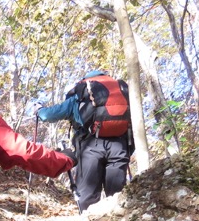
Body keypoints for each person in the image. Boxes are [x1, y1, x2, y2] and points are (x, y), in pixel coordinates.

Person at [37, 69, 132, 213]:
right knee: (117, 196)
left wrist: (39, 110)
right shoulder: (122, 90)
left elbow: (48, 115)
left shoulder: (82, 92)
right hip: (120, 145)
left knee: (87, 196)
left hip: (90, 146)